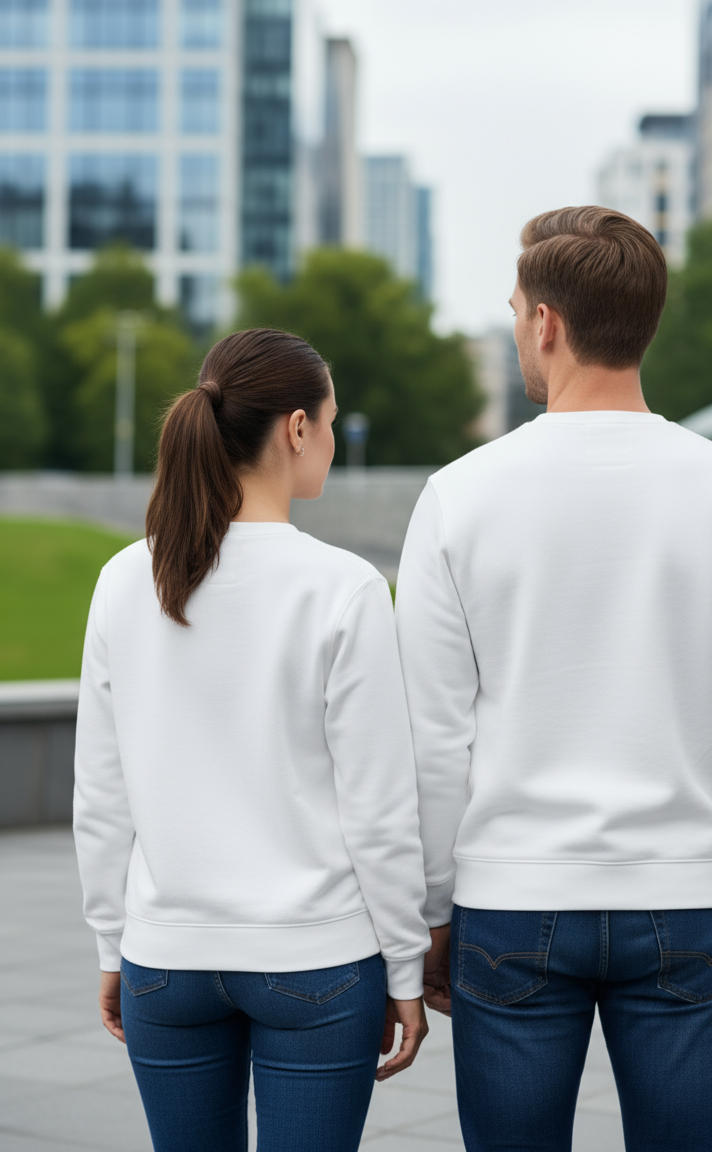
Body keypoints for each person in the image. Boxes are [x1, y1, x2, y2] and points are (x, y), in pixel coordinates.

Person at [395, 208, 712, 1152]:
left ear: (547, 324)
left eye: (513, 312)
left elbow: (432, 737)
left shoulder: (459, 495)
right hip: (686, 892)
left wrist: (426, 912)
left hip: (510, 896)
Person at [73, 327, 430, 1152]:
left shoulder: (126, 578)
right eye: (332, 421)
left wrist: (111, 942)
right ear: (296, 429)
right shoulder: (344, 588)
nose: (333, 441)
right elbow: (379, 806)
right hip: (316, 960)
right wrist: (405, 969)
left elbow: (101, 792)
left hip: (166, 957)